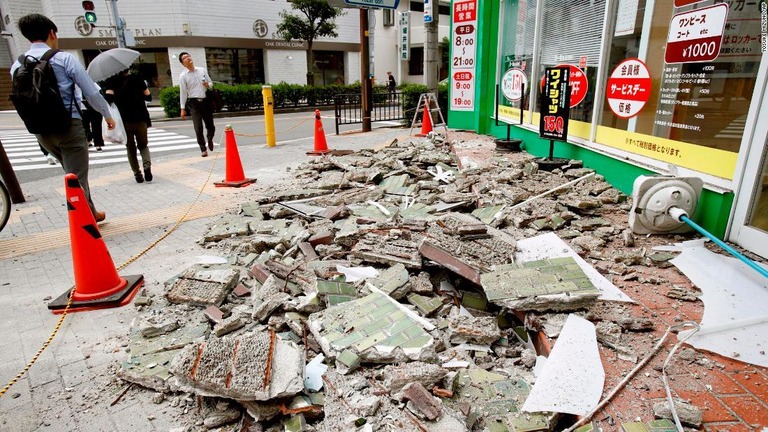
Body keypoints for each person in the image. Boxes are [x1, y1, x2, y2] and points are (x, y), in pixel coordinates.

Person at [10, 14, 115, 222]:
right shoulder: (63, 58)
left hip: (41, 131)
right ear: (51, 33)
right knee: (77, 179)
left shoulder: (17, 65)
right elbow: (91, 93)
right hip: (69, 127)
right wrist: (107, 115)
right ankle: (83, 226)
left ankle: (91, 213)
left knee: (72, 175)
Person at [104, 70, 153, 183]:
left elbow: (108, 99)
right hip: (140, 118)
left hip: (124, 121)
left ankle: (137, 174)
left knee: (130, 148)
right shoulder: (138, 78)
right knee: (143, 145)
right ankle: (147, 167)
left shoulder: (112, 81)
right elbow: (149, 97)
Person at [178, 52, 215, 157]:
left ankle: (210, 138)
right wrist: (182, 108)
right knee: (198, 127)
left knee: (211, 126)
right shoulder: (183, 76)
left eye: (189, 56)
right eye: (185, 58)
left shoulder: (202, 70)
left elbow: (211, 84)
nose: (188, 58)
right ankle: (203, 148)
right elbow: (183, 93)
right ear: (183, 63)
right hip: (194, 104)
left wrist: (208, 85)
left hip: (205, 101)